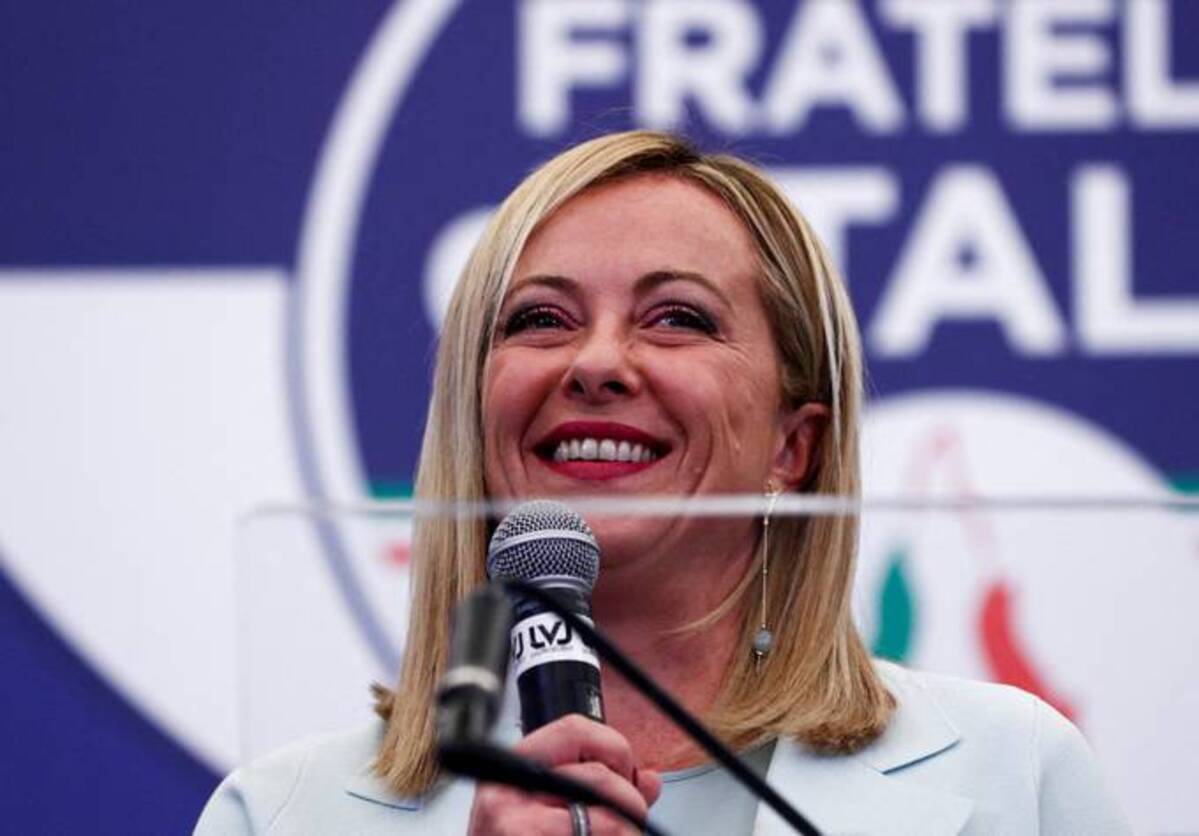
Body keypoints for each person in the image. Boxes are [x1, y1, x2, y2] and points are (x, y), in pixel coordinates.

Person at [196, 131, 1130, 835]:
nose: (597, 363)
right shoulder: (281, 814)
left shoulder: (1015, 774)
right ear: (475, 423)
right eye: (540, 319)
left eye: (677, 317)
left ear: (793, 447)